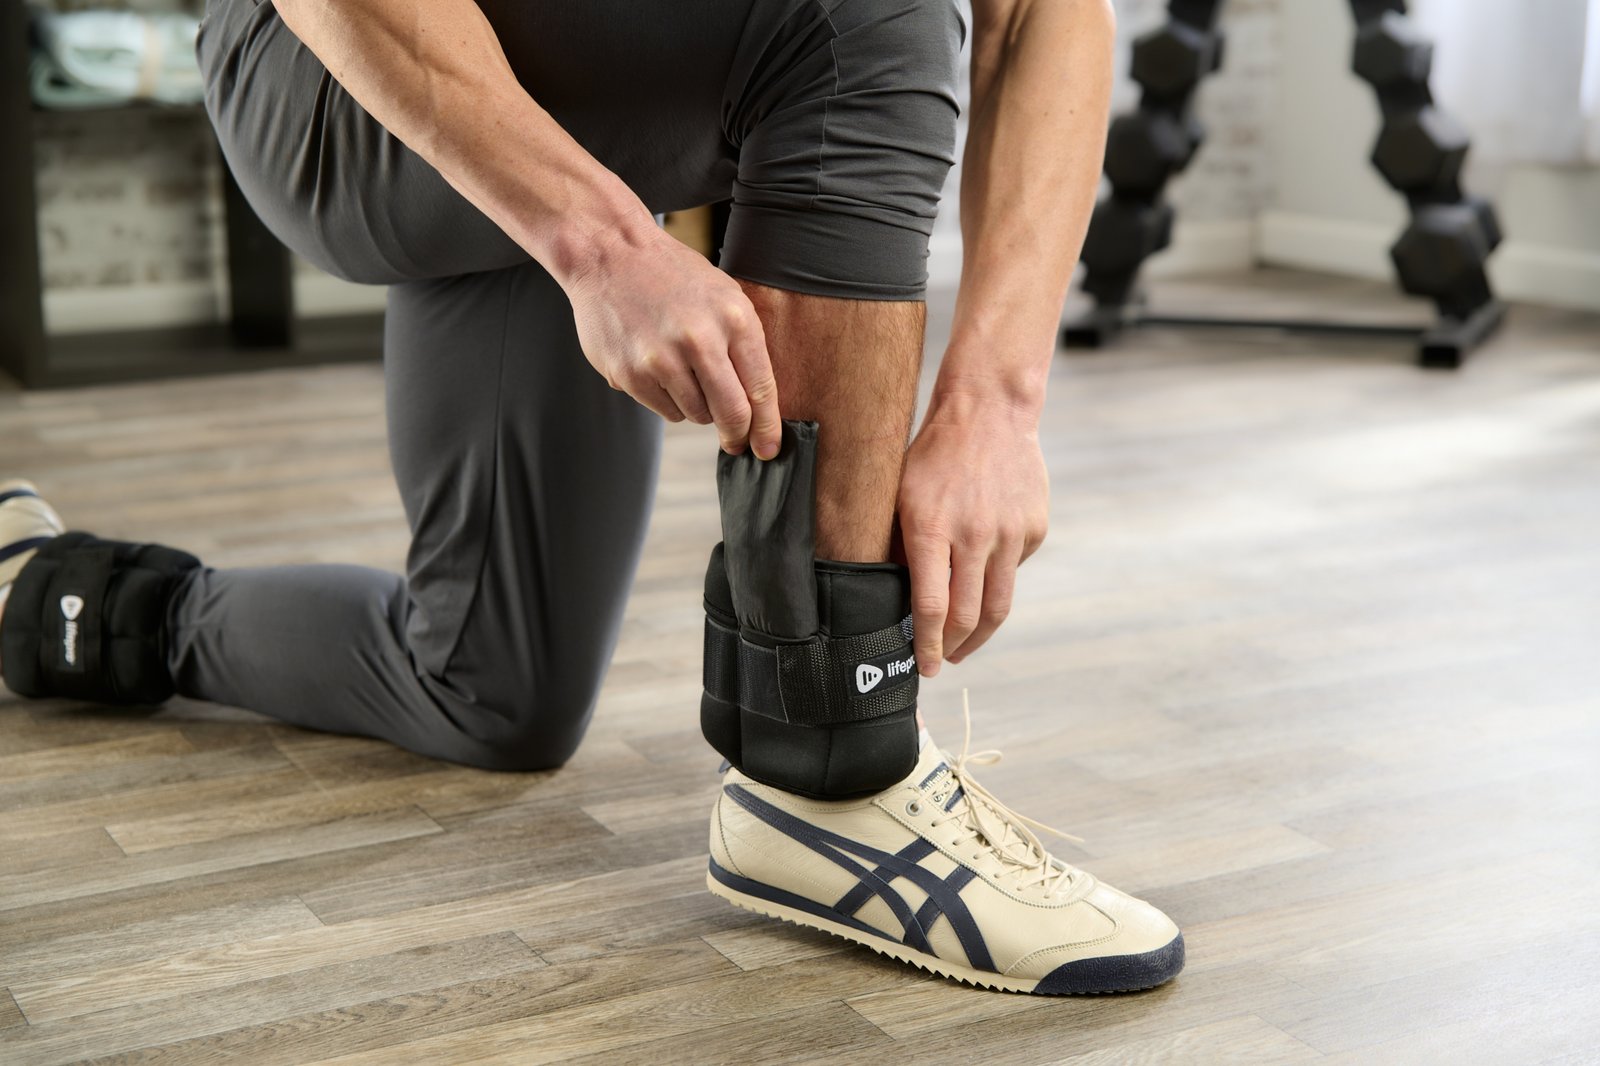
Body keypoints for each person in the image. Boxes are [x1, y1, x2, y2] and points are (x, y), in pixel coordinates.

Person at [0, 0, 1183, 993]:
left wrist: (995, 401)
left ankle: (64, 603)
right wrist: (601, 245)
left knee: (488, 688)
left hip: (563, 83)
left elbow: (1043, 11)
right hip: (322, 64)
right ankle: (826, 765)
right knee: (859, 10)